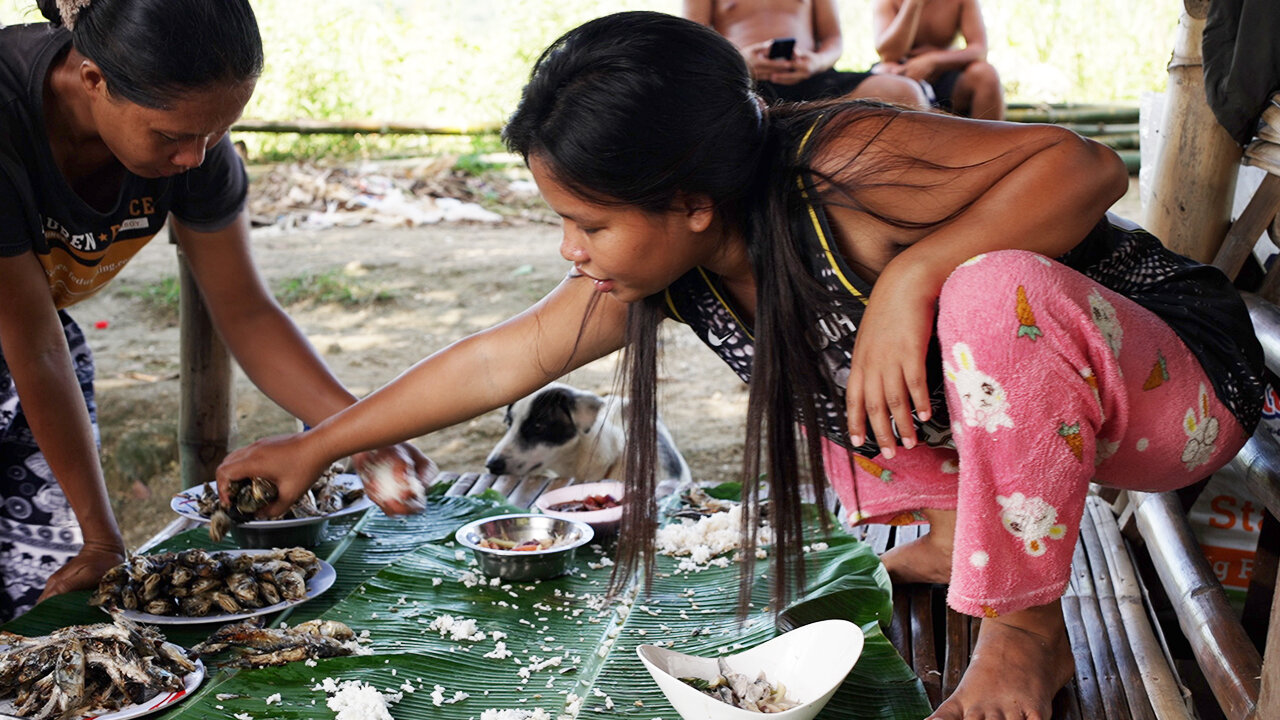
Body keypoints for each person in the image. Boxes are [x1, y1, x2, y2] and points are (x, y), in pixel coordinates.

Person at [216, 12, 1265, 720]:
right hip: (1043, 428)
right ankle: (953, 530)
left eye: (585, 223)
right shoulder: (670, 267)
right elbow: (506, 355)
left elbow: (1082, 167)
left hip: (1172, 396)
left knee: (981, 297)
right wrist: (317, 444)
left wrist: (913, 279)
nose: (568, 252)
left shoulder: (842, 159)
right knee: (822, 346)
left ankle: (1025, 629)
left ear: (688, 203)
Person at [0, 0, 431, 623]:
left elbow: (247, 313)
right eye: (174, 138)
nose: (194, 160)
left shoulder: (191, 137)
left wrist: (361, 432)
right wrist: (101, 536)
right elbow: (34, 349)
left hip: (36, 350)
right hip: (28, 350)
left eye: (213, 133)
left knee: (39, 603)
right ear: (94, 81)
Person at [684, 0, 929, 110]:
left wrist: (816, 62)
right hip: (743, 83)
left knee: (904, 91)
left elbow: (834, 39)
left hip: (813, 79)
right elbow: (693, 43)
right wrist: (741, 61)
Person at [871, 0, 1005, 120]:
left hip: (946, 72)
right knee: (884, 71)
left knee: (986, 74)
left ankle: (990, 144)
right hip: (903, 73)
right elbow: (889, 55)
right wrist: (913, 4)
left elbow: (979, 50)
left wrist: (932, 61)